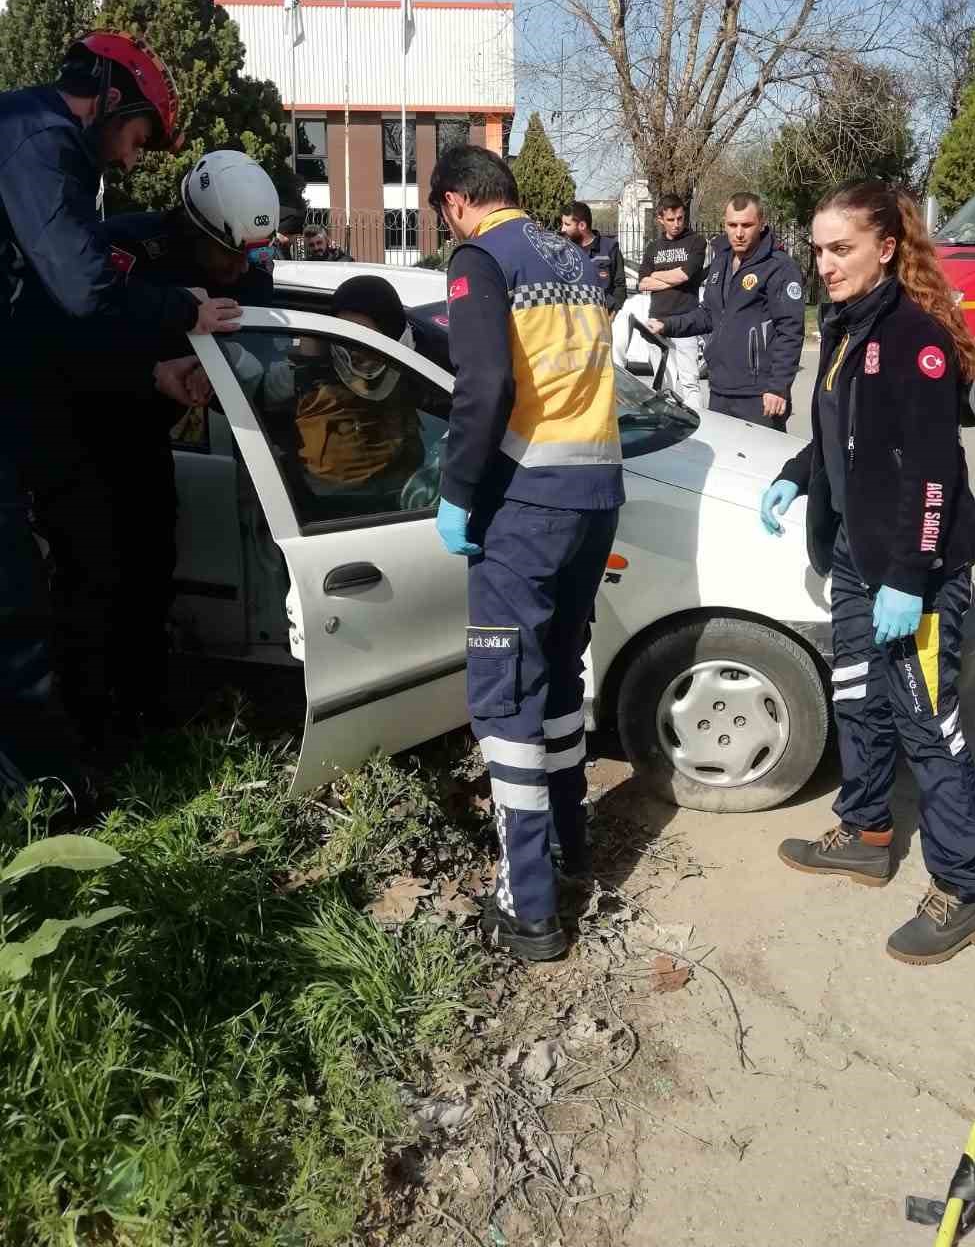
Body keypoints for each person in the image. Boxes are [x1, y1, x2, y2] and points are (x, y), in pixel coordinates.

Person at [759, 181, 975, 965]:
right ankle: (865, 833)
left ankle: (964, 890)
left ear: (885, 248)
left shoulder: (913, 338)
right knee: (856, 697)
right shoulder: (844, 323)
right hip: (857, 560)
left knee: (930, 726)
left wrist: (912, 575)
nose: (824, 264)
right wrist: (798, 472)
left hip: (910, 568)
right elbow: (837, 427)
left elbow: (933, 472)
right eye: (819, 249)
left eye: (841, 249)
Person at [0, 34, 239, 789]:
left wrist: (153, 373)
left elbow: (49, 314)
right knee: (19, 620)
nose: (134, 161)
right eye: (138, 137)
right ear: (109, 101)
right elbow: (82, 293)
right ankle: (56, 806)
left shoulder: (28, 138)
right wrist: (184, 313)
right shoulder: (42, 144)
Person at [431, 144, 623, 963]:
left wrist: (457, 492)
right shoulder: (572, 257)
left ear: (451, 203)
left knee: (506, 695)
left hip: (528, 504)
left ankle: (530, 908)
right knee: (556, 680)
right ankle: (572, 853)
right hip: (597, 494)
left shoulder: (481, 258)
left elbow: (483, 389)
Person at [38, 150, 277, 739]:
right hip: (81, 441)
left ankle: (145, 715)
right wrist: (151, 372)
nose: (238, 270)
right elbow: (66, 349)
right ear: (197, 230)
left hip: (150, 444)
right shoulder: (123, 250)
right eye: (228, 256)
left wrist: (215, 370)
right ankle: (86, 731)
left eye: (250, 256)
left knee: (150, 573)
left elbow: (261, 330)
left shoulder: (247, 258)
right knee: (92, 583)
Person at [649, 192, 805, 429]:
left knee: (759, 465)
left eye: (747, 225)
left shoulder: (779, 267)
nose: (739, 233)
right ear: (725, 224)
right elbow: (709, 314)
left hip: (759, 394)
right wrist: (667, 325)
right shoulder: (721, 261)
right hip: (720, 389)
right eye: (732, 225)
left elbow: (790, 331)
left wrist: (778, 386)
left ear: (761, 223)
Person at [282, 276, 425, 497]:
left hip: (398, 495)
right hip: (332, 503)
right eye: (346, 336)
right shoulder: (308, 378)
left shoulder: (412, 371)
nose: (355, 351)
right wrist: (307, 365)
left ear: (389, 334)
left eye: (364, 338)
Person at [636, 193, 706, 409]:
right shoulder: (652, 247)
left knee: (690, 383)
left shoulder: (696, 241)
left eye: (680, 218)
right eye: (671, 219)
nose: (676, 224)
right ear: (660, 219)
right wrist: (673, 276)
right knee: (662, 386)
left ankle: (700, 430)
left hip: (686, 321)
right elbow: (642, 283)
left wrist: (658, 275)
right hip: (657, 321)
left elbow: (684, 276)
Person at [560, 201, 627, 313]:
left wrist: (614, 313)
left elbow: (619, 286)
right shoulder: (565, 250)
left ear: (582, 225)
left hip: (604, 316)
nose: (562, 229)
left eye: (567, 224)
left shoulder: (609, 248)